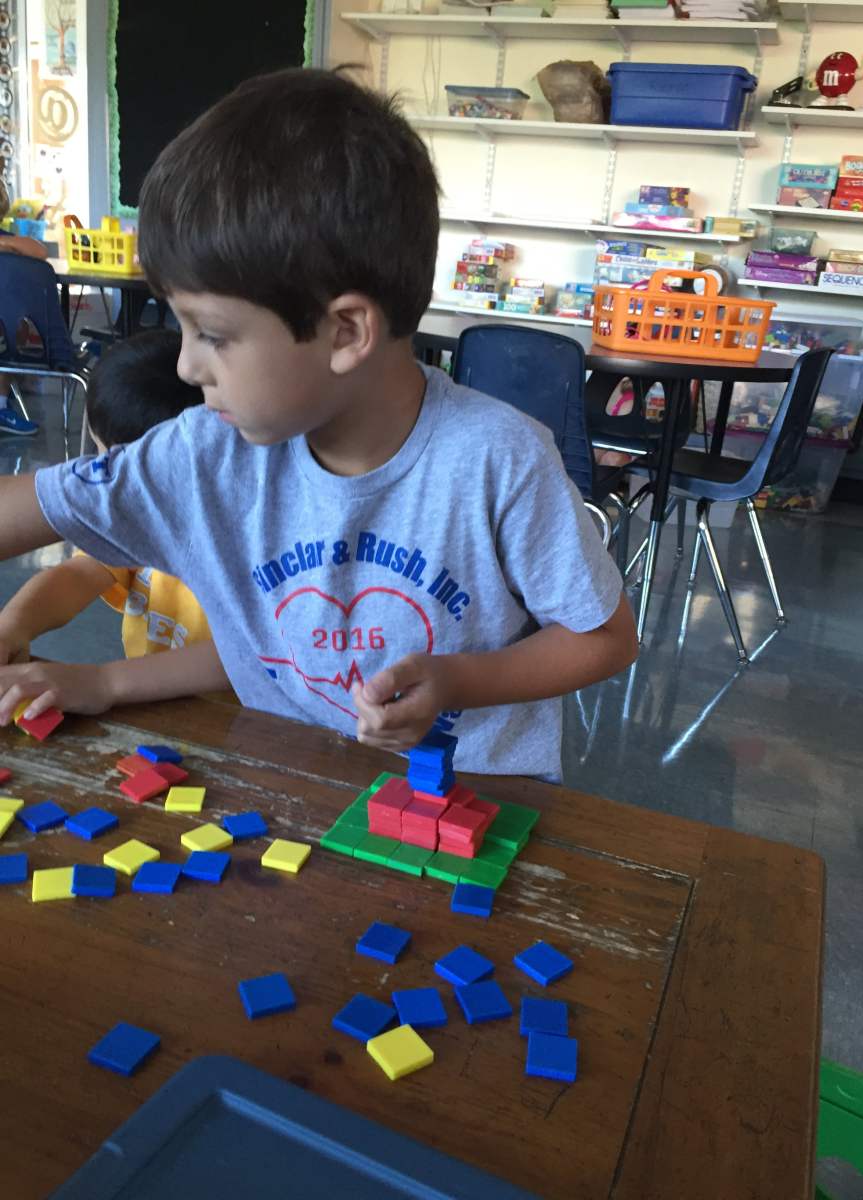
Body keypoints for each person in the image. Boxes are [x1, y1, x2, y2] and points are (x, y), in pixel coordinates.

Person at [0, 67, 638, 779]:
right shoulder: (207, 452)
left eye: (212, 334)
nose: (186, 367)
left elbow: (604, 638)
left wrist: (457, 681)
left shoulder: (499, 460)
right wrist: (102, 680)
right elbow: (38, 509)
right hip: (297, 789)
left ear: (345, 332)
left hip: (473, 804)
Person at [0, 329, 218, 707]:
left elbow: (247, 655)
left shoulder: (240, 537)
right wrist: (13, 626)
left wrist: (103, 682)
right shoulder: (131, 515)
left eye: (111, 466)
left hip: (243, 723)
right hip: (151, 705)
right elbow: (80, 573)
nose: (104, 486)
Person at [0, 177, 52, 436]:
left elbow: (40, 251)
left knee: (13, 326)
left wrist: (4, 243)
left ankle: (1, 403)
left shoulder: (7, 240)